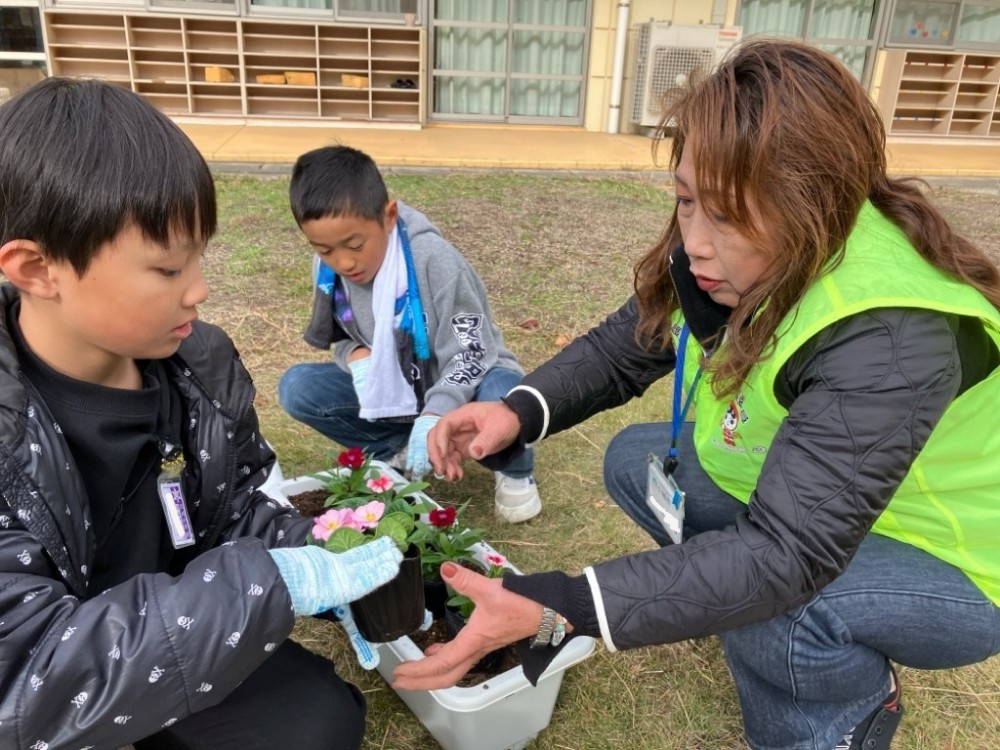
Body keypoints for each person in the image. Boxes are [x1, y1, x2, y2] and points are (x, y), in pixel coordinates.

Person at [392, 39, 1000, 750]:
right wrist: (515, 410)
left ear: (813, 202)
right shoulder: (742, 254)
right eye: (686, 200)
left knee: (782, 605)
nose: (696, 243)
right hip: (831, 499)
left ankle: (842, 712)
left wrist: (561, 608)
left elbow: (787, 556)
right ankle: (723, 599)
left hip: (956, 558)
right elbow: (631, 340)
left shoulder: (890, 332)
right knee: (635, 460)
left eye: (731, 214)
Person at [0, 78, 404, 750]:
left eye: (198, 258)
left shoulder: (200, 368)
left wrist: (314, 553)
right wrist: (260, 586)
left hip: (171, 639)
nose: (199, 290)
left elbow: (234, 507)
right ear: (36, 268)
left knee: (322, 722)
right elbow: (20, 672)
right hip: (45, 691)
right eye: (165, 270)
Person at [277, 145, 542, 523]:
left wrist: (438, 411)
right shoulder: (327, 271)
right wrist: (356, 358)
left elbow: (472, 352)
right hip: (401, 386)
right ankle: (398, 449)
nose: (344, 262)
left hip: (470, 378)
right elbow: (342, 336)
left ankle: (515, 470)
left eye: (354, 245)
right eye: (325, 249)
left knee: (505, 394)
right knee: (298, 387)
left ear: (388, 216)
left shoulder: (433, 260)